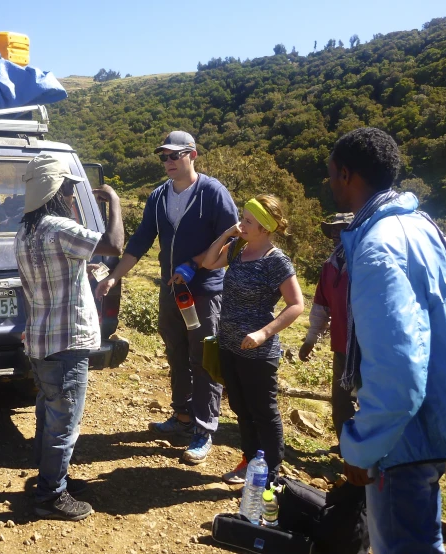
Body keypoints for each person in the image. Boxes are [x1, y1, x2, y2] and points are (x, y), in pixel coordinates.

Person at [328, 127, 446, 553]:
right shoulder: (422, 226)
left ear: (346, 175)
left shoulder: (379, 247)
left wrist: (362, 445)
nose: (329, 183)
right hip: (435, 421)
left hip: (401, 439)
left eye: (331, 174)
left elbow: (398, 373)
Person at [95, 131, 238, 464]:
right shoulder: (159, 197)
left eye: (175, 155)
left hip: (203, 291)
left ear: (193, 155)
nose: (168, 162)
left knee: (204, 357)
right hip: (171, 290)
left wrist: (196, 264)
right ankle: (182, 416)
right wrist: (113, 277)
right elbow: (140, 242)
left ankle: (204, 428)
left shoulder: (212, 193)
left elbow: (235, 240)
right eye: (164, 157)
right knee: (176, 353)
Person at [15, 154, 124, 521]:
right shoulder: (59, 227)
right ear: (57, 190)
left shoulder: (26, 232)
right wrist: (113, 201)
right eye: (69, 188)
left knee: (49, 412)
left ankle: (51, 478)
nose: (72, 195)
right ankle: (50, 496)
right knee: (65, 422)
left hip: (41, 341)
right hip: (67, 341)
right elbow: (114, 243)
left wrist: (84, 268)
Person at [202, 194, 304, 486]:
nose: (241, 224)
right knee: (241, 408)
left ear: (265, 228)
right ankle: (249, 462)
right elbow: (209, 263)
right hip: (230, 344)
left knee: (264, 413)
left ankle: (270, 474)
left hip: (258, 352)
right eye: (242, 218)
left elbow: (297, 304)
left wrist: (263, 333)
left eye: (248, 221)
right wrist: (227, 233)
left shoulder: (276, 262)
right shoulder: (237, 248)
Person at [299, 213, 356, 445]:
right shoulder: (330, 265)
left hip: (368, 347)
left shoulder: (365, 261)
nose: (335, 234)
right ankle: (347, 450)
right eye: (332, 230)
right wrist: (310, 340)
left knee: (370, 403)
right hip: (342, 346)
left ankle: (366, 460)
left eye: (341, 228)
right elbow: (321, 306)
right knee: (341, 401)